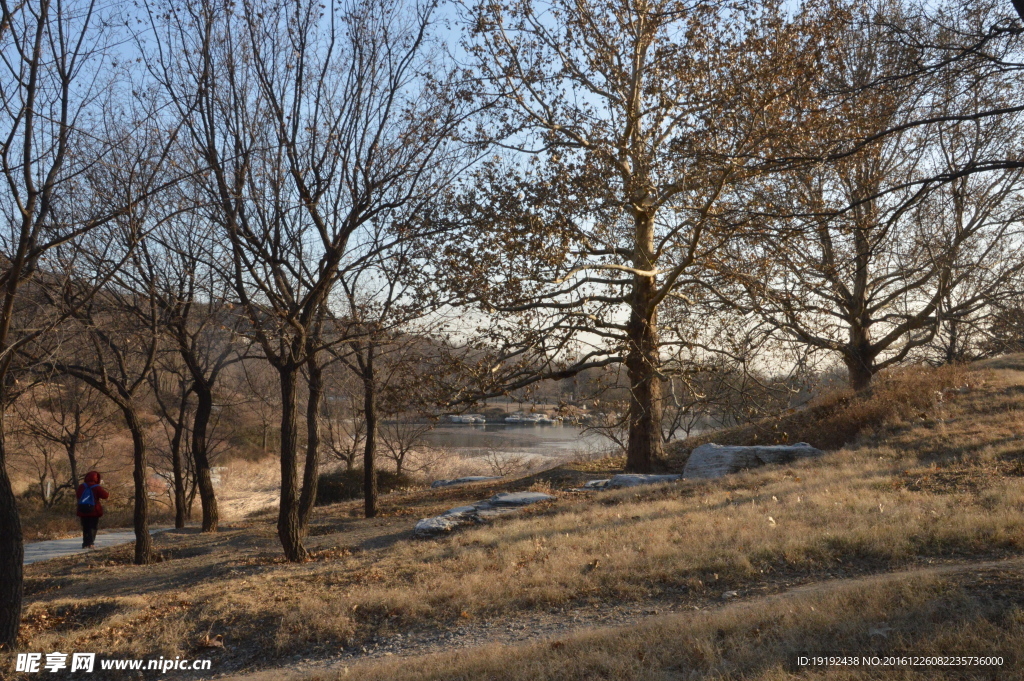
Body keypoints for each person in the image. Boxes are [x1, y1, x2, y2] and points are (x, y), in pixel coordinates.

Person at [76, 471, 109, 549]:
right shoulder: (97, 487)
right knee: (93, 527)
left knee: (85, 527)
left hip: (82, 509)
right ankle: (91, 543)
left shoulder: (82, 486)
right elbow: (105, 496)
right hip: (94, 510)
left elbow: (78, 495)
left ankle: (85, 543)